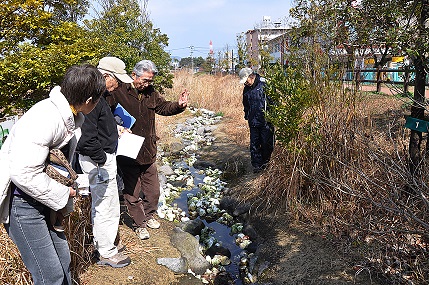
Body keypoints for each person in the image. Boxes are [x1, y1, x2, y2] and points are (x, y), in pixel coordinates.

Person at [0, 64, 105, 285]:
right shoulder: (46, 117)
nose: (98, 104)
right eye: (98, 99)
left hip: (42, 200)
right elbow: (23, 172)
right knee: (49, 275)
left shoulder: (69, 115)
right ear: (88, 100)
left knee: (63, 262)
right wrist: (63, 192)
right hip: (22, 205)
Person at [106, 59, 189, 240]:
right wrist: (115, 127)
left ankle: (149, 215)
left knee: (153, 191)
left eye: (150, 81)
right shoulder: (118, 91)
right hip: (128, 151)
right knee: (132, 191)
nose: (147, 84)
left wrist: (179, 105)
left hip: (148, 149)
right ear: (133, 75)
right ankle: (139, 224)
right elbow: (104, 114)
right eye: (145, 80)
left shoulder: (151, 93)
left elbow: (163, 107)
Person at [76, 57, 132, 268]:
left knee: (109, 202)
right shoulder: (91, 98)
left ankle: (108, 245)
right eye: (116, 80)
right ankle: (106, 252)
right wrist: (103, 159)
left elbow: (98, 128)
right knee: (103, 205)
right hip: (97, 161)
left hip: (102, 158)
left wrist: (114, 131)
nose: (118, 85)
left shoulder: (99, 96)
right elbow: (86, 139)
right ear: (106, 76)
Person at [239, 67, 275, 173]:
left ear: (252, 76)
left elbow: (273, 101)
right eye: (244, 82)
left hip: (266, 121)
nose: (246, 83)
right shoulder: (246, 88)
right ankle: (257, 166)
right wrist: (247, 115)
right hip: (253, 121)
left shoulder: (264, 84)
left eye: (246, 80)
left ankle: (266, 164)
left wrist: (272, 117)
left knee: (266, 144)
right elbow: (246, 103)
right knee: (254, 144)